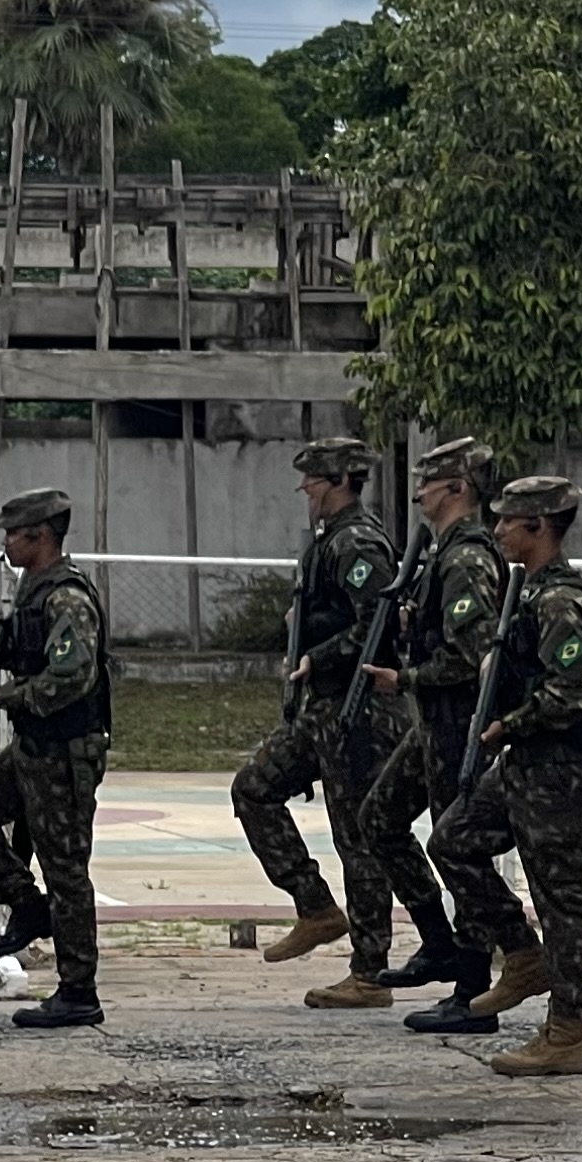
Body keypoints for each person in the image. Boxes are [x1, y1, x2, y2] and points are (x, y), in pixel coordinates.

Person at [446, 472, 582, 1079]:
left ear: (538, 528)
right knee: (453, 841)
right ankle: (522, 954)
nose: (497, 532)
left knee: (561, 896)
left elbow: (578, 690)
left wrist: (508, 723)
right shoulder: (528, 591)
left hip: (562, 768)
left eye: (508, 522)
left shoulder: (560, 600)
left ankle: (566, 1032)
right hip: (526, 761)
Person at [365, 441, 529, 1032]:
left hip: (458, 722)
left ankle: (472, 986)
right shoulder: (443, 554)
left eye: (430, 483)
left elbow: (472, 655)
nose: (419, 494)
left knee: (456, 846)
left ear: (458, 488)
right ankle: (438, 940)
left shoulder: (466, 559)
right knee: (379, 817)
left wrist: (403, 676)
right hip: (433, 720)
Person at [0, 485, 117, 1028]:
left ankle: (78, 992)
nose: (5, 544)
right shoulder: (33, 590)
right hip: (34, 747)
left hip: (66, 751)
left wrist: (13, 696)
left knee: (67, 870)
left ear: (39, 536)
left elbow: (75, 675)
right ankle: (26, 905)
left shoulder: (64, 596)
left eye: (12, 534)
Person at [238, 438, 400, 1000]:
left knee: (358, 838)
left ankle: (371, 970)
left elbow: (382, 623)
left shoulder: (357, 542)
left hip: (359, 709)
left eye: (311, 479)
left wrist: (319, 653)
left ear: (335, 482)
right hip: (324, 709)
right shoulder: (329, 541)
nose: (304, 490)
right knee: (254, 787)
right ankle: (315, 906)